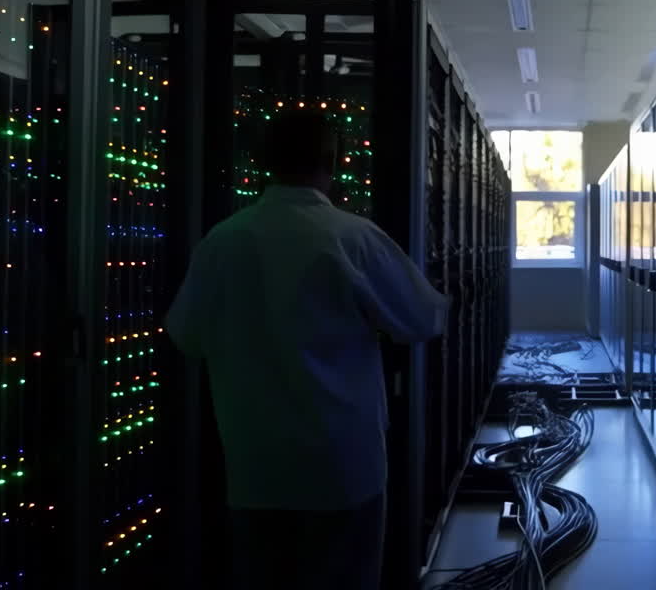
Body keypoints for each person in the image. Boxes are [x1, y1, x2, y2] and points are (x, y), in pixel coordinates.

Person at [166, 111, 449, 589]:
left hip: (256, 464)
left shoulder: (224, 239)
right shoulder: (351, 236)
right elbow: (422, 320)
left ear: (263, 162)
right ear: (333, 161)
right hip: (342, 465)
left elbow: (186, 335)